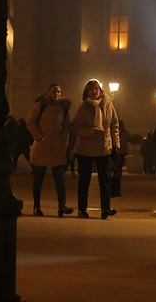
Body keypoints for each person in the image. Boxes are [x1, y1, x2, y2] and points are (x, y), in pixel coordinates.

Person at [72, 79, 120, 219]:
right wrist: (91, 132)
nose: (94, 91)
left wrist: (116, 145)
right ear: (86, 92)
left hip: (104, 148)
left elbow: (114, 125)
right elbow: (76, 127)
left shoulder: (108, 104)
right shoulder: (83, 107)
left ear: (100, 90)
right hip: (85, 149)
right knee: (84, 180)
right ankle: (82, 209)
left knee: (105, 180)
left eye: (96, 88)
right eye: (91, 89)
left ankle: (106, 208)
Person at [27, 83, 74, 217]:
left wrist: (62, 139)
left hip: (57, 148)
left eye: (59, 92)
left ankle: (62, 205)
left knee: (60, 178)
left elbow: (66, 126)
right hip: (42, 146)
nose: (57, 94)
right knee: (38, 178)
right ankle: (36, 206)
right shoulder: (42, 105)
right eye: (54, 92)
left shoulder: (63, 108)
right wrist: (39, 137)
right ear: (49, 93)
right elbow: (31, 122)